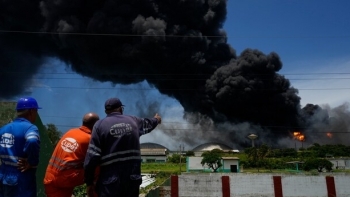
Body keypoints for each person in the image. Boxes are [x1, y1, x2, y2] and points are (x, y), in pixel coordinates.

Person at [84, 97, 161, 197]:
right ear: (121, 109)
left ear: (106, 111)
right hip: (132, 178)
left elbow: (92, 157)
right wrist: (157, 119)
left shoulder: (99, 126)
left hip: (110, 181)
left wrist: (89, 182)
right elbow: (149, 123)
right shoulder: (134, 121)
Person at [44, 112, 100, 197]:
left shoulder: (70, 132)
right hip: (66, 178)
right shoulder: (89, 139)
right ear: (95, 125)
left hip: (50, 176)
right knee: (99, 167)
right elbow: (93, 161)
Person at [0, 97, 41, 197]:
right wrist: (31, 162)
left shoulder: (4, 129)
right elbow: (32, 140)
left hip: (3, 175)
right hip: (21, 176)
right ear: (32, 111)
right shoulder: (30, 128)